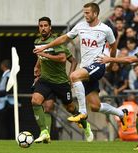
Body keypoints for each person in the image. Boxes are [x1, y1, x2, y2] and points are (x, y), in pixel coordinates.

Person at [33, 3, 128, 132]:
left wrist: (110, 63)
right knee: (95, 106)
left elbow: (113, 46)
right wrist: (45, 47)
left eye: (87, 13)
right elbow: (63, 38)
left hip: (98, 64)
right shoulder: (80, 26)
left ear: (95, 13)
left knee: (74, 76)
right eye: (84, 13)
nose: (85, 15)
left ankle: (82, 112)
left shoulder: (105, 29)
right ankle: (121, 113)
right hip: (86, 68)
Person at [32, 17, 93, 143]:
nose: (43, 28)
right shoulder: (37, 41)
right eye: (41, 26)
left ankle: (86, 125)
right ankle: (44, 132)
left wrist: (70, 76)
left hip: (60, 82)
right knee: (37, 102)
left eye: (45, 25)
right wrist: (37, 66)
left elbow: (63, 59)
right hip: (45, 80)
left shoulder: (56, 41)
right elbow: (40, 56)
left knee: (70, 108)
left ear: (50, 27)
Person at [0, 60, 15, 139]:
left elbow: (8, 90)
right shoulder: (7, 75)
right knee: (7, 125)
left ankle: (5, 140)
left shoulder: (8, 75)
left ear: (3, 66)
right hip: (5, 103)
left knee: (4, 126)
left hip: (5, 104)